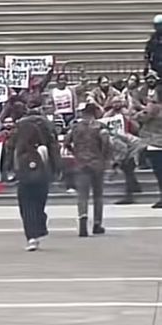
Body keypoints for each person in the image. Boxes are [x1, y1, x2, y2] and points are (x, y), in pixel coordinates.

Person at [65, 102, 110, 237]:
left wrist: (75, 153)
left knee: (82, 196)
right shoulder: (100, 126)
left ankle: (83, 222)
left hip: (81, 162)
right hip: (96, 162)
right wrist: (104, 157)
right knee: (98, 195)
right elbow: (106, 142)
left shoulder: (75, 127)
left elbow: (66, 142)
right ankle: (97, 224)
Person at [13, 117, 51, 251]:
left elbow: (16, 167)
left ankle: (31, 237)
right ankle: (40, 224)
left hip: (25, 183)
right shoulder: (43, 148)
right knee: (38, 208)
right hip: (41, 182)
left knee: (27, 210)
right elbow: (47, 165)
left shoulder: (18, 150)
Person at [136, 88, 162, 209]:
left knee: (159, 173)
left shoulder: (154, 107)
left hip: (155, 143)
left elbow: (140, 117)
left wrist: (147, 105)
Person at [144, 14, 162, 80]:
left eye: (158, 25)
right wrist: (146, 67)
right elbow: (147, 52)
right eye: (156, 25)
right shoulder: (153, 38)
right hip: (156, 66)